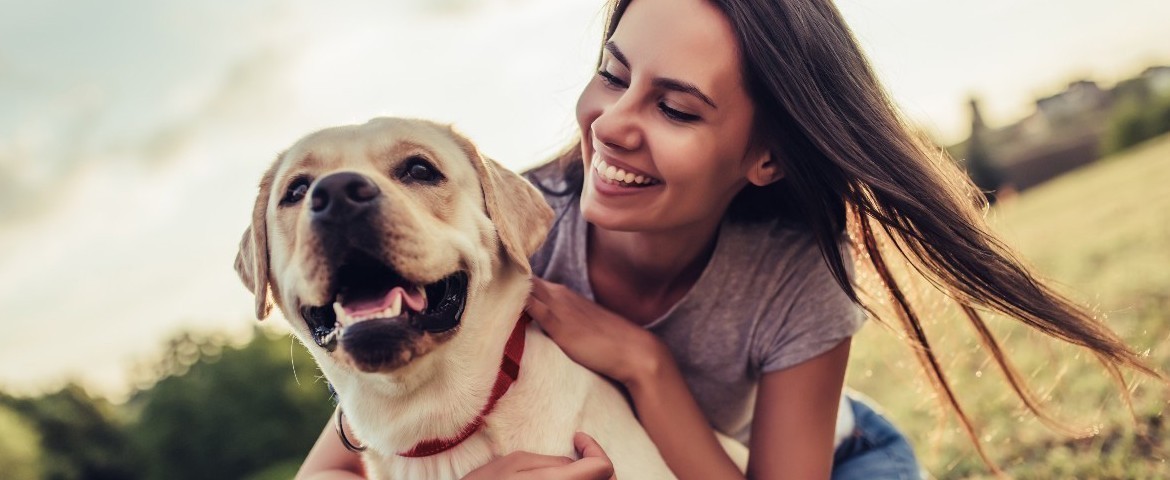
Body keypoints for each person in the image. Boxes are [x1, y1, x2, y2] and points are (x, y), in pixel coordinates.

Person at [296, 0, 1161, 479]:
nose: (613, 128)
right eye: (612, 74)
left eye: (676, 108)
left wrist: (644, 362)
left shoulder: (797, 277)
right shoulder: (498, 233)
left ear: (764, 157)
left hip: (837, 460)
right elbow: (341, 456)